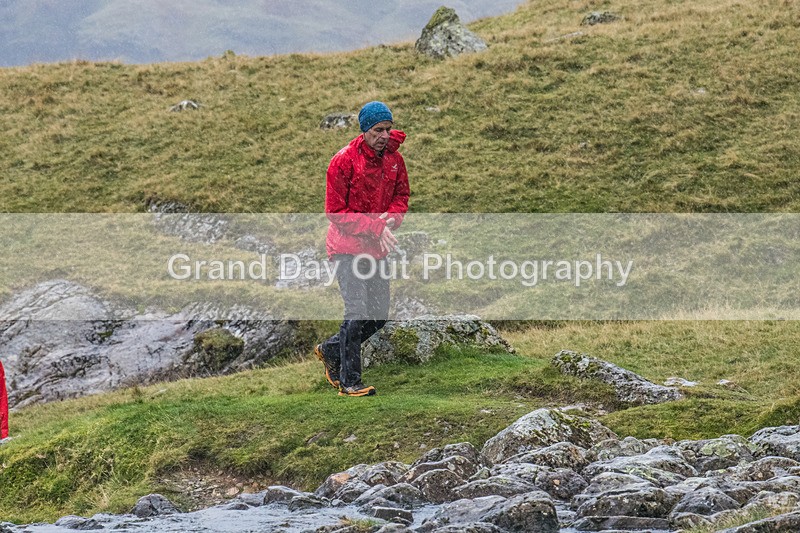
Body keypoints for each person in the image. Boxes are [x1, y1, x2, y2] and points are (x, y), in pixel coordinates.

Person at [315, 101, 410, 397]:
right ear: (364, 130)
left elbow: (401, 195)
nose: (384, 135)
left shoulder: (395, 159)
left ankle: (330, 349)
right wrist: (375, 227)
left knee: (379, 315)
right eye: (377, 130)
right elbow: (335, 212)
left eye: (387, 129)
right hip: (345, 248)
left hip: (377, 249)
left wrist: (391, 219)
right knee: (356, 311)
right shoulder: (343, 161)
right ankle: (349, 382)